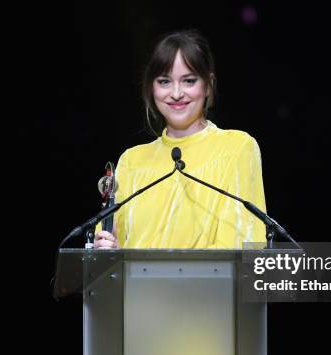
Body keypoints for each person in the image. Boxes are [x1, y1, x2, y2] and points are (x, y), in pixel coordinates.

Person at [95, 29, 267, 249]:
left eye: (189, 81)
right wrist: (107, 250)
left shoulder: (236, 148)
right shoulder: (131, 161)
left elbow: (242, 248)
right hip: (135, 285)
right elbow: (107, 253)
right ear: (151, 87)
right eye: (164, 81)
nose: (176, 93)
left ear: (208, 85)